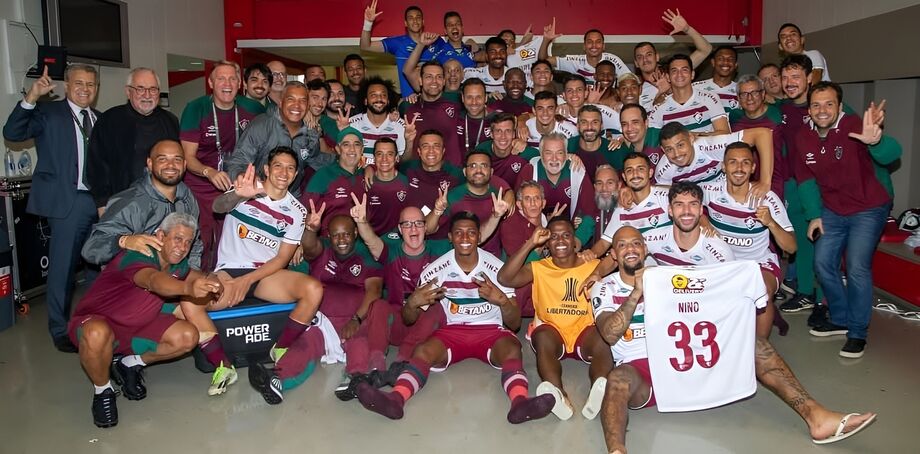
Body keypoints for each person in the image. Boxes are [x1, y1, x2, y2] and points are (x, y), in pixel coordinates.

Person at [591, 225, 877, 453]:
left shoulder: (667, 276)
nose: (630, 249)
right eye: (622, 245)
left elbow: (707, 295)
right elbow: (609, 334)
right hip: (643, 371)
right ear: (613, 254)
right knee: (617, 380)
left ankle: (817, 417)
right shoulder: (604, 288)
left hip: (687, 360)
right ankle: (617, 450)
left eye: (636, 243)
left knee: (755, 345)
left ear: (645, 248)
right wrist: (637, 292)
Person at [355, 212, 556, 424]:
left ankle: (520, 402)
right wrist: (412, 303)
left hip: (490, 330)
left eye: (471, 233)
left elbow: (514, 324)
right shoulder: (436, 270)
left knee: (512, 349)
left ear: (479, 236)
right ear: (450, 237)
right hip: (453, 330)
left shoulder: (497, 268)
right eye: (459, 233)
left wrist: (502, 301)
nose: (465, 238)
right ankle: (396, 398)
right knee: (423, 351)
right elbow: (409, 319)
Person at [68, 212, 222, 428]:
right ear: (160, 236)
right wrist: (188, 288)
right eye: (177, 239)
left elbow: (192, 274)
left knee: (188, 336)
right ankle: (103, 391)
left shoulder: (177, 263)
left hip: (137, 326)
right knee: (96, 333)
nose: (182, 247)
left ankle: (129, 364)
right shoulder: (139, 255)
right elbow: (152, 280)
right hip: (98, 322)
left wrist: (211, 279)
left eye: (188, 242)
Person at [795, 82, 901, 358]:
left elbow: (893, 153)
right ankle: (840, 317)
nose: (822, 110)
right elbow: (806, 180)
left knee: (856, 266)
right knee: (822, 262)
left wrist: (876, 141)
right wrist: (814, 215)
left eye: (829, 104)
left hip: (869, 207)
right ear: (809, 110)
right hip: (833, 208)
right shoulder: (803, 137)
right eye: (816, 105)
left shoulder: (856, 125)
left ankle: (857, 331)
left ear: (840, 106)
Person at [209, 149, 324, 403]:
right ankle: (223, 366)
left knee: (314, 289)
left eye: (290, 168)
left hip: (265, 274)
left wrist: (247, 280)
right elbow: (217, 207)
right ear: (267, 169)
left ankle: (280, 347)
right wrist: (238, 195)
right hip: (229, 269)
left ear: (296, 174)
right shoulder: (247, 188)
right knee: (194, 299)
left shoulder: (296, 210)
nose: (284, 172)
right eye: (278, 166)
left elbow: (282, 259)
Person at [3, 64, 101, 352]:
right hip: (67, 202)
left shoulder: (100, 119)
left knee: (98, 266)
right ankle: (59, 329)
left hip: (99, 203)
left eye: (91, 84)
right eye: (79, 83)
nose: (85, 89)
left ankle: (94, 320)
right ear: (67, 86)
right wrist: (32, 97)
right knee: (63, 268)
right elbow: (13, 132)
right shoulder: (48, 113)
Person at [498, 217, 612, 420]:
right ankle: (559, 395)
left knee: (603, 339)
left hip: (584, 331)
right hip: (553, 331)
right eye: (554, 237)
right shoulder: (539, 267)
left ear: (574, 240)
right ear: (547, 243)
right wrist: (531, 243)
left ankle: (599, 389)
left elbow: (616, 259)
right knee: (542, 337)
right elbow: (504, 278)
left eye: (566, 235)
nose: (560, 241)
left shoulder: (593, 265)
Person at [347, 202, 450, 391]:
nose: (413, 229)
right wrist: (361, 222)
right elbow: (371, 241)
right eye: (407, 224)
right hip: (396, 323)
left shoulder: (439, 249)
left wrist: (496, 215)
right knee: (378, 305)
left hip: (423, 330)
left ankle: (401, 363)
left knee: (435, 308)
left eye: (418, 223)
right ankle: (376, 365)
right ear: (400, 230)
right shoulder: (391, 251)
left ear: (426, 227)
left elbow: (473, 239)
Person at [702, 142, 797, 338]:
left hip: (758, 261)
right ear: (723, 166)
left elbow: (791, 247)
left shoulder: (767, 198)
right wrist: (704, 221)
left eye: (745, 162)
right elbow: (679, 196)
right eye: (733, 162)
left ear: (753, 168)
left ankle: (760, 349)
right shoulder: (710, 190)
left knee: (761, 291)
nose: (739, 168)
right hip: (722, 262)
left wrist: (771, 223)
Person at [179, 61, 264, 269]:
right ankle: (196, 278)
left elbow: (279, 120)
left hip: (238, 184)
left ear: (240, 83)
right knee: (202, 238)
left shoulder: (253, 108)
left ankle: (225, 277)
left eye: (232, 78)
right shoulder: (196, 108)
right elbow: (187, 157)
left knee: (234, 237)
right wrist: (208, 172)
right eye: (221, 79)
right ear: (211, 83)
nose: (227, 84)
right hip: (202, 183)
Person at [300, 209, 384, 400]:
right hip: (322, 322)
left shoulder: (367, 254)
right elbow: (309, 247)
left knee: (359, 342)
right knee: (305, 344)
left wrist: (356, 319)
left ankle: (356, 379)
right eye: (336, 235)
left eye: (346, 234)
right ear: (329, 236)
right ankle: (279, 378)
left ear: (355, 233)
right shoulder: (323, 249)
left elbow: (374, 291)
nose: (341, 240)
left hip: (354, 319)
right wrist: (310, 230)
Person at [83, 140, 202, 270]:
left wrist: (192, 274)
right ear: (150, 164)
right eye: (162, 159)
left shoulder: (188, 199)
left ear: (184, 165)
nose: (171, 165)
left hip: (171, 276)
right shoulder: (131, 202)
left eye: (177, 160)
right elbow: (91, 249)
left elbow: (194, 245)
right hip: (130, 277)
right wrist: (124, 241)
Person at [87, 67, 179, 212]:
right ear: (128, 91)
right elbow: (97, 167)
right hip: (122, 206)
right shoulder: (109, 120)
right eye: (140, 89)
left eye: (153, 89)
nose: (147, 95)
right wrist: (102, 206)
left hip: (164, 205)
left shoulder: (170, 121)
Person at [227, 81, 330, 196]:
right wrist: (243, 176)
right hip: (258, 195)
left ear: (308, 106)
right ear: (281, 102)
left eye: (302, 101)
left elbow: (316, 159)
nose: (297, 105)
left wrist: (343, 157)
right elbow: (238, 161)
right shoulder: (262, 125)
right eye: (291, 99)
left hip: (291, 198)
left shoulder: (310, 134)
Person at [655, 121, 775, 201]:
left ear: (691, 138)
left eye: (680, 145)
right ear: (663, 150)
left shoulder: (710, 145)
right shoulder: (663, 170)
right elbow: (662, 193)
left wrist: (765, 181)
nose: (677, 154)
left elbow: (763, 134)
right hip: (697, 202)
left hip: (725, 193)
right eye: (669, 149)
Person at [424, 150, 515, 255]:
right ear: (464, 172)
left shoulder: (501, 197)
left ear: (491, 172)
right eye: (473, 166)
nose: (479, 170)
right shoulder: (453, 197)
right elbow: (428, 230)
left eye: (484, 165)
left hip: (493, 257)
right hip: (459, 256)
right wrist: (437, 210)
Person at [589, 152, 671, 258]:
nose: (635, 174)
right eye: (629, 170)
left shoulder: (666, 197)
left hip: (673, 265)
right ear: (624, 177)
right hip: (639, 266)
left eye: (640, 169)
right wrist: (588, 255)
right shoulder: (622, 208)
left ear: (650, 173)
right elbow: (604, 243)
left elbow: (685, 193)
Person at [633, 9, 713, 109]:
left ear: (657, 57)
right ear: (636, 63)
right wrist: (664, 93)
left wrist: (687, 29)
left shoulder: (676, 72)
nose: (645, 59)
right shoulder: (636, 88)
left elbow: (706, 49)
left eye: (649, 54)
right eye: (640, 57)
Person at [526, 133, 597, 246]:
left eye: (559, 153)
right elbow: (520, 213)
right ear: (541, 154)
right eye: (548, 153)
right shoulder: (530, 171)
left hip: (571, 236)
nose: (554, 159)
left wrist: (576, 242)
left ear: (566, 154)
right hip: (536, 237)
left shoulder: (577, 171)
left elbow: (590, 212)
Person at [728, 74, 786, 198]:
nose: (749, 98)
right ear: (738, 98)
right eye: (744, 94)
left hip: (774, 181)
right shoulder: (734, 117)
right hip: (744, 182)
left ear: (763, 94)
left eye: (754, 93)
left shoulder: (777, 114)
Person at [360, 1, 434, 96]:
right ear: (405, 23)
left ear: (423, 22)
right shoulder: (398, 42)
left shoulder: (435, 41)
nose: (415, 21)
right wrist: (368, 23)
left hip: (431, 98)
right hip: (408, 100)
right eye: (411, 18)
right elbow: (366, 46)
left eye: (418, 17)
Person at [302, 127, 367, 232]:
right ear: (338, 149)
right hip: (326, 239)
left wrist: (370, 168)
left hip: (360, 239)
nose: (352, 149)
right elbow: (303, 210)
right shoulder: (324, 175)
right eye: (346, 144)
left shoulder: (365, 176)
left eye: (357, 144)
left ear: (362, 149)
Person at [648, 55, 730, 135]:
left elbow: (724, 133)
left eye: (684, 70)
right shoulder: (659, 108)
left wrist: (690, 136)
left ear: (692, 74)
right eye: (674, 71)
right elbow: (653, 141)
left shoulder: (710, 98)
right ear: (668, 77)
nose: (679, 74)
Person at [405, 60, 464, 167]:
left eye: (439, 77)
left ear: (444, 81)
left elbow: (479, 104)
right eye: (429, 77)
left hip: (452, 172)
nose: (434, 81)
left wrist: (492, 95)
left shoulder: (458, 102)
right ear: (420, 81)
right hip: (418, 173)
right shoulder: (407, 107)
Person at [538, 22, 629, 83]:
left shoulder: (614, 60)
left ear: (603, 46)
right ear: (584, 46)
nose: (594, 46)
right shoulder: (574, 61)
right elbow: (544, 61)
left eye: (598, 42)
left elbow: (629, 79)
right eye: (590, 42)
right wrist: (546, 40)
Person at [349, 76, 407, 164]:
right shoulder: (352, 124)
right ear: (365, 101)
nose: (379, 99)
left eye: (383, 95)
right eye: (373, 95)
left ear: (388, 100)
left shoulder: (401, 126)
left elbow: (403, 161)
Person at [474, 112, 534, 187]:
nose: (503, 136)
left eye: (508, 131)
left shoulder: (525, 152)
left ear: (513, 134)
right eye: (498, 131)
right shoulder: (481, 151)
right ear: (491, 134)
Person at [365, 138, 412, 234]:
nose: (384, 159)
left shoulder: (407, 183)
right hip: (372, 239)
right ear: (374, 158)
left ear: (396, 158)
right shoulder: (365, 181)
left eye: (389, 154)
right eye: (379, 154)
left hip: (400, 239)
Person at [692, 46, 739, 111]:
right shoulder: (695, 88)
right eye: (721, 59)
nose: (725, 62)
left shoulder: (742, 90)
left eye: (730, 59)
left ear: (735, 64)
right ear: (713, 62)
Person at [459, 78, 492, 149]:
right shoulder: (454, 119)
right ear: (462, 98)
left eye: (478, 97)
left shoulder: (496, 120)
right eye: (469, 97)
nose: (474, 102)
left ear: (486, 98)